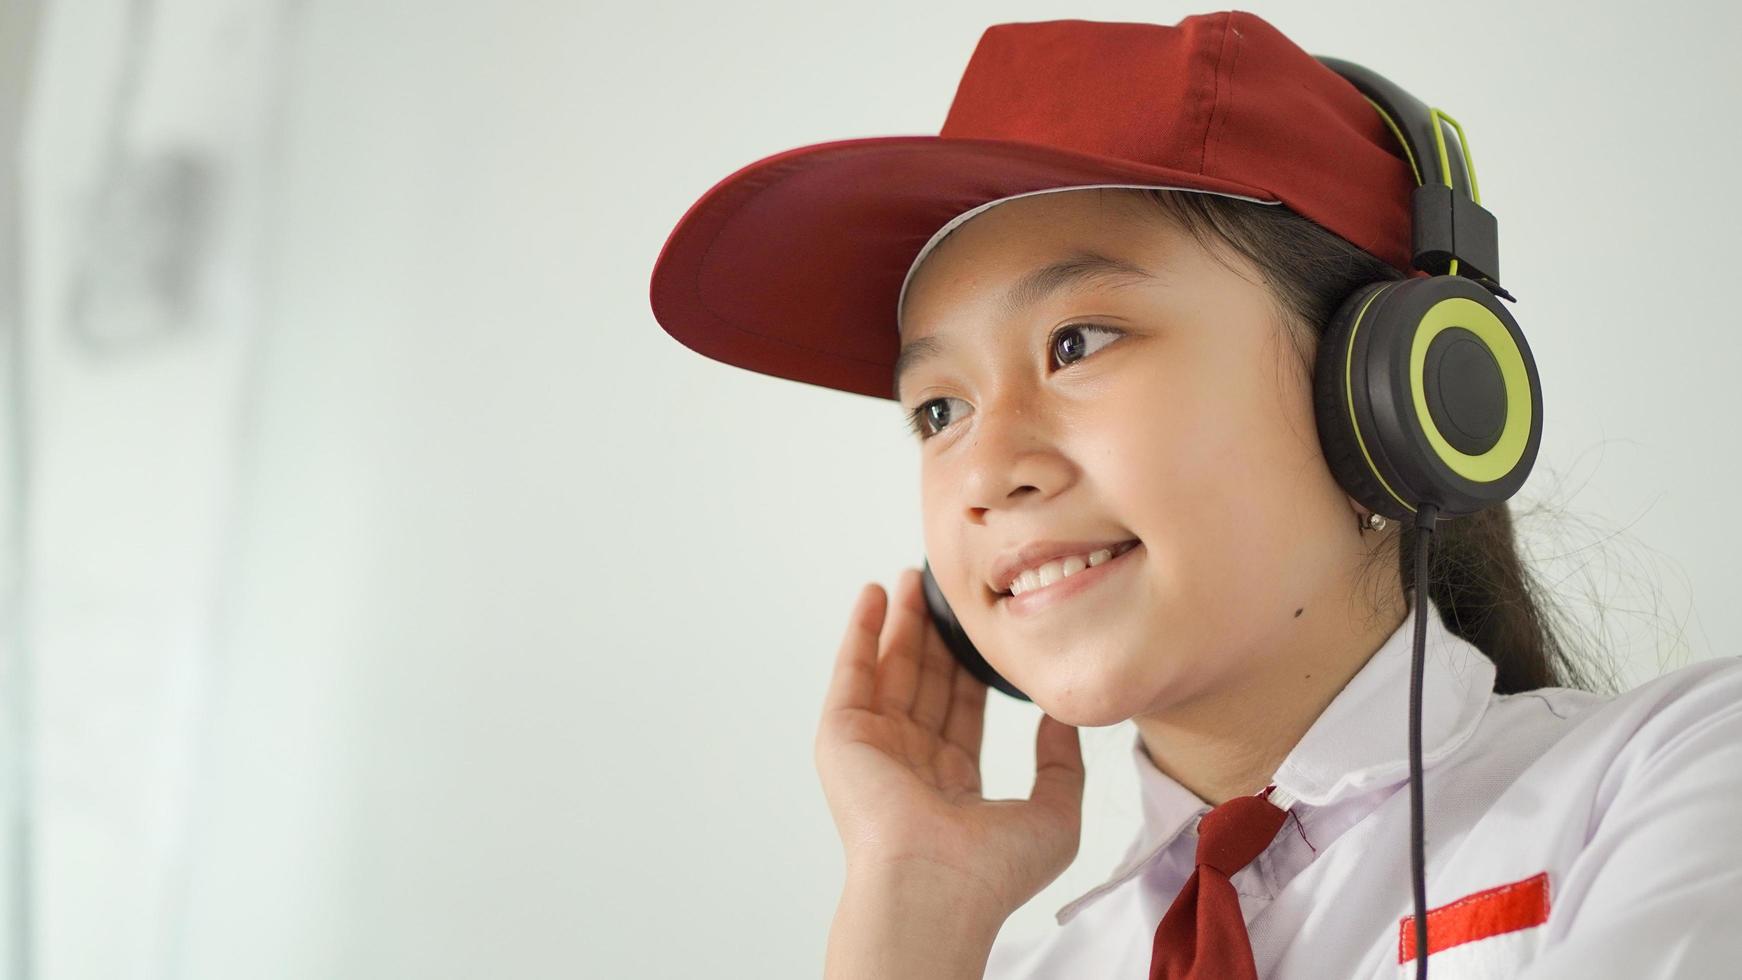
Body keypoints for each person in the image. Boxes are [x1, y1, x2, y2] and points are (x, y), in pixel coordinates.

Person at [647, 10, 1742, 979]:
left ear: (1390, 394)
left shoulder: (1673, 786)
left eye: (1074, 342)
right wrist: (906, 921)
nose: (984, 473)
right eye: (936, 411)